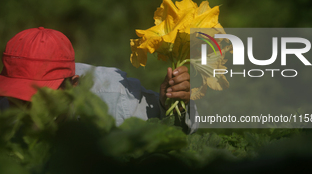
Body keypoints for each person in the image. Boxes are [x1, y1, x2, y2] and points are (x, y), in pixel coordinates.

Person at [0, 27, 198, 133]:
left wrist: (172, 102)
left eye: (38, 99)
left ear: (73, 85)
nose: (27, 110)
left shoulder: (116, 97)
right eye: (17, 98)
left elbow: (176, 129)